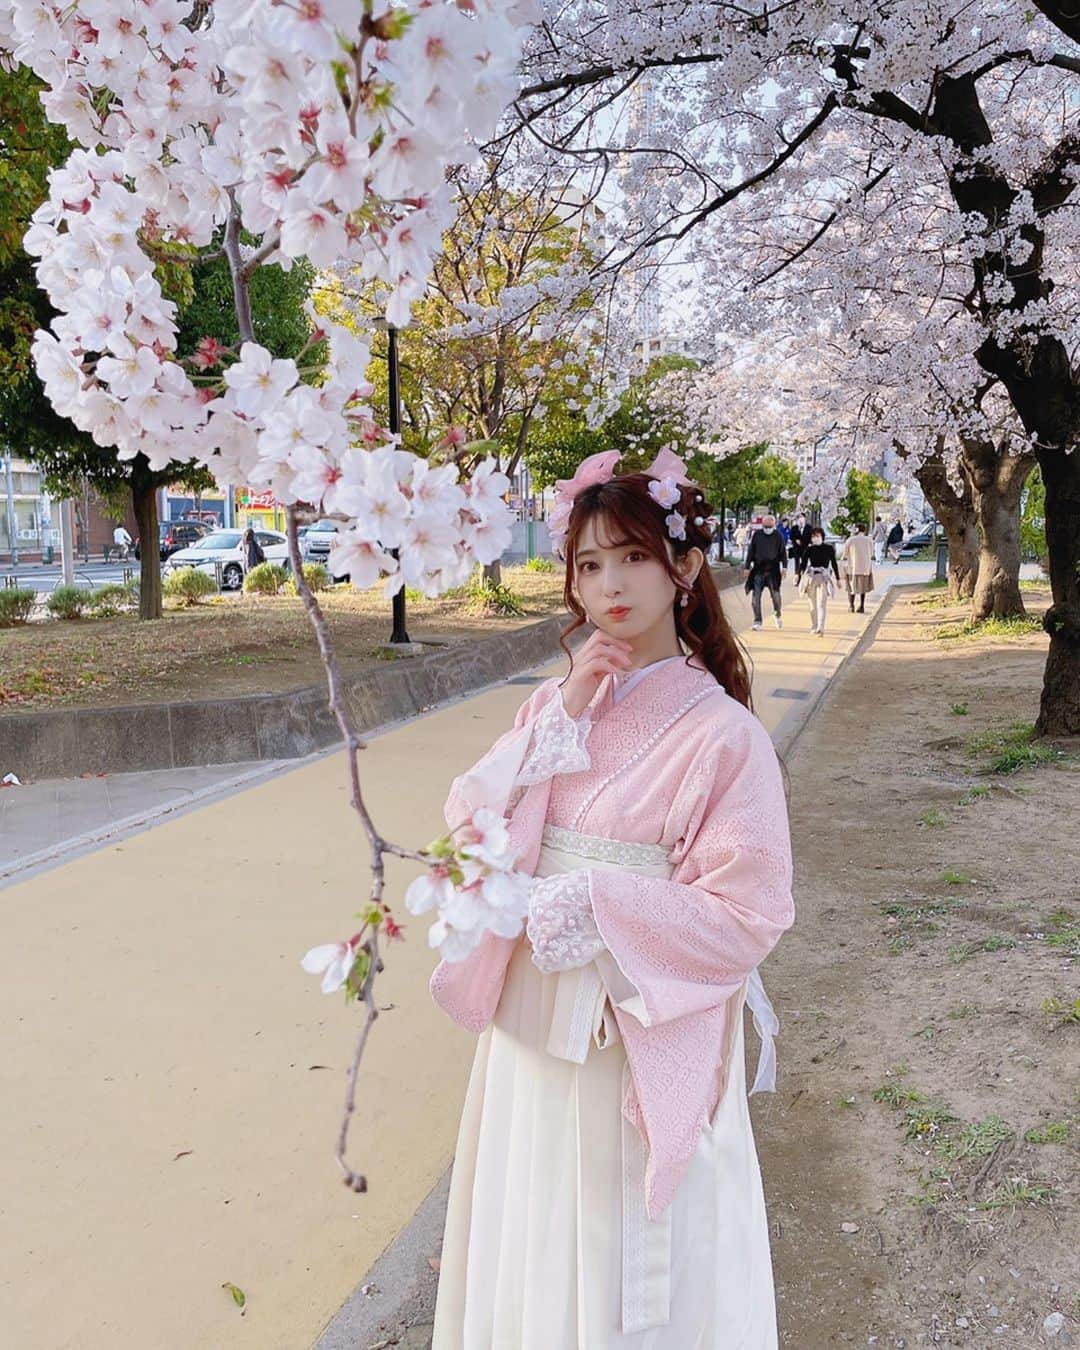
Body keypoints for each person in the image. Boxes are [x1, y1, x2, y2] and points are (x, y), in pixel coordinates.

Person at [428, 448, 794, 1349]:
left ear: (685, 567)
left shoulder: (724, 736)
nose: (610, 585)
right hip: (534, 1023)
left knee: (620, 1244)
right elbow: (469, 816)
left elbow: (748, 916)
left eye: (631, 556)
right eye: (588, 565)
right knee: (534, 1223)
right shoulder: (557, 709)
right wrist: (559, 722)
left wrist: (595, 903)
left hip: (627, 1023)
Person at [743, 512, 787, 630]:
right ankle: (757, 620)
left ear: (774, 525)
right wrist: (747, 567)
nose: (768, 529)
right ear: (762, 526)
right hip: (758, 570)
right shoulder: (757, 535)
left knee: (776, 596)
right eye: (765, 527)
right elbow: (751, 552)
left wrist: (785, 567)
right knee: (756, 597)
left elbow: (783, 553)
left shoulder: (778, 536)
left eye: (770, 527)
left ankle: (777, 614)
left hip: (773, 571)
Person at [798, 525, 840, 635]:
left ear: (822, 536)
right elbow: (803, 563)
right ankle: (814, 625)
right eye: (813, 536)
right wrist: (798, 575)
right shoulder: (809, 549)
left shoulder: (829, 548)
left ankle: (821, 627)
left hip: (823, 577)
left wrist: (838, 578)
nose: (815, 538)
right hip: (811, 577)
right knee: (812, 603)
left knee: (821, 603)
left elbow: (834, 564)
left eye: (817, 535)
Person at [842, 522, 875, 613]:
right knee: (863, 588)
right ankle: (862, 606)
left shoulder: (850, 540)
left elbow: (844, 554)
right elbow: (872, 554)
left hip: (852, 567)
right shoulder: (869, 540)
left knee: (851, 588)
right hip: (865, 567)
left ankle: (851, 605)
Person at [788, 511, 812, 583]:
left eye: (802, 517)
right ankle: (797, 574)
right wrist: (795, 540)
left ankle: (802, 572)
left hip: (805, 547)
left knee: (804, 561)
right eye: (799, 517)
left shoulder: (808, 527)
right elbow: (791, 536)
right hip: (797, 548)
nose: (801, 519)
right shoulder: (794, 528)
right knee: (797, 561)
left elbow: (811, 536)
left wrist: (810, 543)